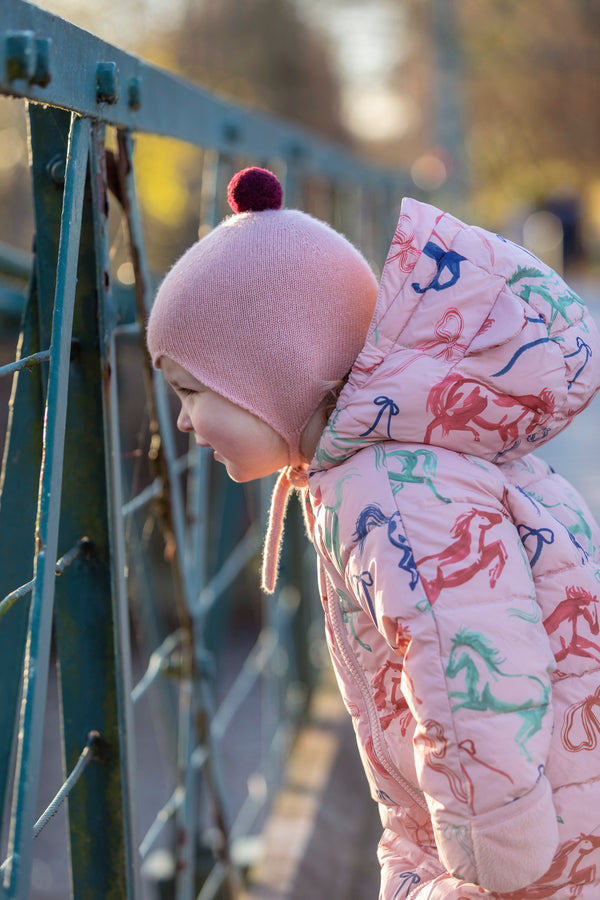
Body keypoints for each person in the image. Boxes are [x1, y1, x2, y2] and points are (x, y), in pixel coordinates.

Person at [147, 167, 600, 899]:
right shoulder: (376, 469)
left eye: (192, 391)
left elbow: (470, 667)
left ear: (274, 374)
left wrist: (491, 859)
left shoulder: (384, 492)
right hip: (530, 818)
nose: (183, 422)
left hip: (522, 858)